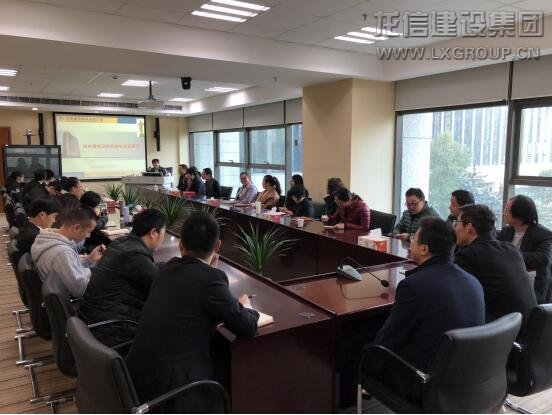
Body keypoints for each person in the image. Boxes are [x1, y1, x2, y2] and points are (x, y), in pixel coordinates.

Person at [125, 211, 259, 413]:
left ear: (180, 244)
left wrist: (208, 271)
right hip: (173, 393)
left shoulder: (165, 270)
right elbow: (247, 327)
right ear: (217, 246)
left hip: (137, 381)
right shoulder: (211, 280)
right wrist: (246, 306)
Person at [367, 218, 484, 403]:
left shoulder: (414, 286)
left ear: (424, 249)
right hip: (466, 378)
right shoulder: (473, 281)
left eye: (414, 239)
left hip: (424, 383)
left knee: (360, 349)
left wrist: (369, 368)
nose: (410, 243)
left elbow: (391, 336)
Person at [79, 209, 167, 347]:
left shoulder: (121, 243)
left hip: (93, 321)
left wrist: (173, 266)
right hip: (110, 330)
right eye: (163, 233)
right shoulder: (134, 254)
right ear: (153, 233)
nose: (163, 238)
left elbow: (150, 270)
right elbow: (162, 285)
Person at [454, 204, 536, 325]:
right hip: (532, 326)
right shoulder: (511, 249)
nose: (455, 228)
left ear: (469, 227)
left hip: (503, 329)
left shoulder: (469, 256)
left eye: (457, 223)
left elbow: (456, 294)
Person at [31, 207, 104, 298]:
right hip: (72, 300)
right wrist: (93, 271)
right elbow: (80, 289)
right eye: (89, 232)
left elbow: (68, 269)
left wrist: (89, 260)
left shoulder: (45, 237)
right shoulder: (62, 253)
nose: (88, 236)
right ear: (76, 228)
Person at [499, 195, 552, 304]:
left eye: (507, 210)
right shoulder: (505, 232)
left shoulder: (544, 234)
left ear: (519, 214)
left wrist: (512, 254)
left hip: (534, 287)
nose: (504, 213)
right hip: (509, 283)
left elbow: (544, 258)